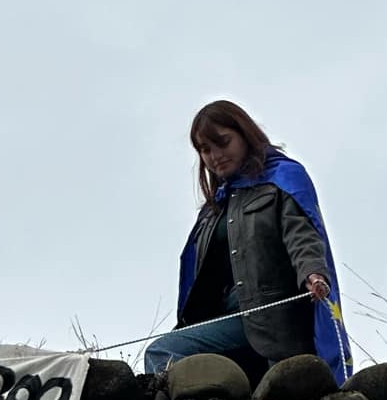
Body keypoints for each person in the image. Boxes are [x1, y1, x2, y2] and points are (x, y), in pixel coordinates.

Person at [144, 101, 349, 384]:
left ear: (245, 135)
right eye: (205, 149)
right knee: (169, 354)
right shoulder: (214, 209)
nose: (215, 156)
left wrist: (313, 273)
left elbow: (301, 235)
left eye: (222, 143)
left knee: (163, 351)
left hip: (270, 315)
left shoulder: (280, 181)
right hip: (224, 319)